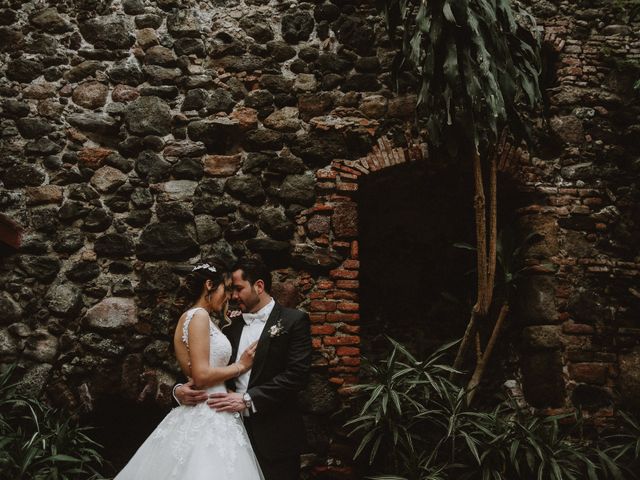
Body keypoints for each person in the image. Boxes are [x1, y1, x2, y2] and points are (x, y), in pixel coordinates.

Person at [116, 262, 264, 480]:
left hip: (205, 407)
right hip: (210, 410)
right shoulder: (200, 316)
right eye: (225, 288)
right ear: (209, 285)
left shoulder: (189, 318)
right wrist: (240, 366)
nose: (228, 296)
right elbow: (201, 376)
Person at [175, 257, 312, 480]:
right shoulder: (228, 327)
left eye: (238, 289)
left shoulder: (293, 321)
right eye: (229, 290)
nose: (232, 296)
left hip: (275, 437)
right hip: (226, 434)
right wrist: (178, 391)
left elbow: (297, 376)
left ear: (259, 286)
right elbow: (204, 369)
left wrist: (248, 399)